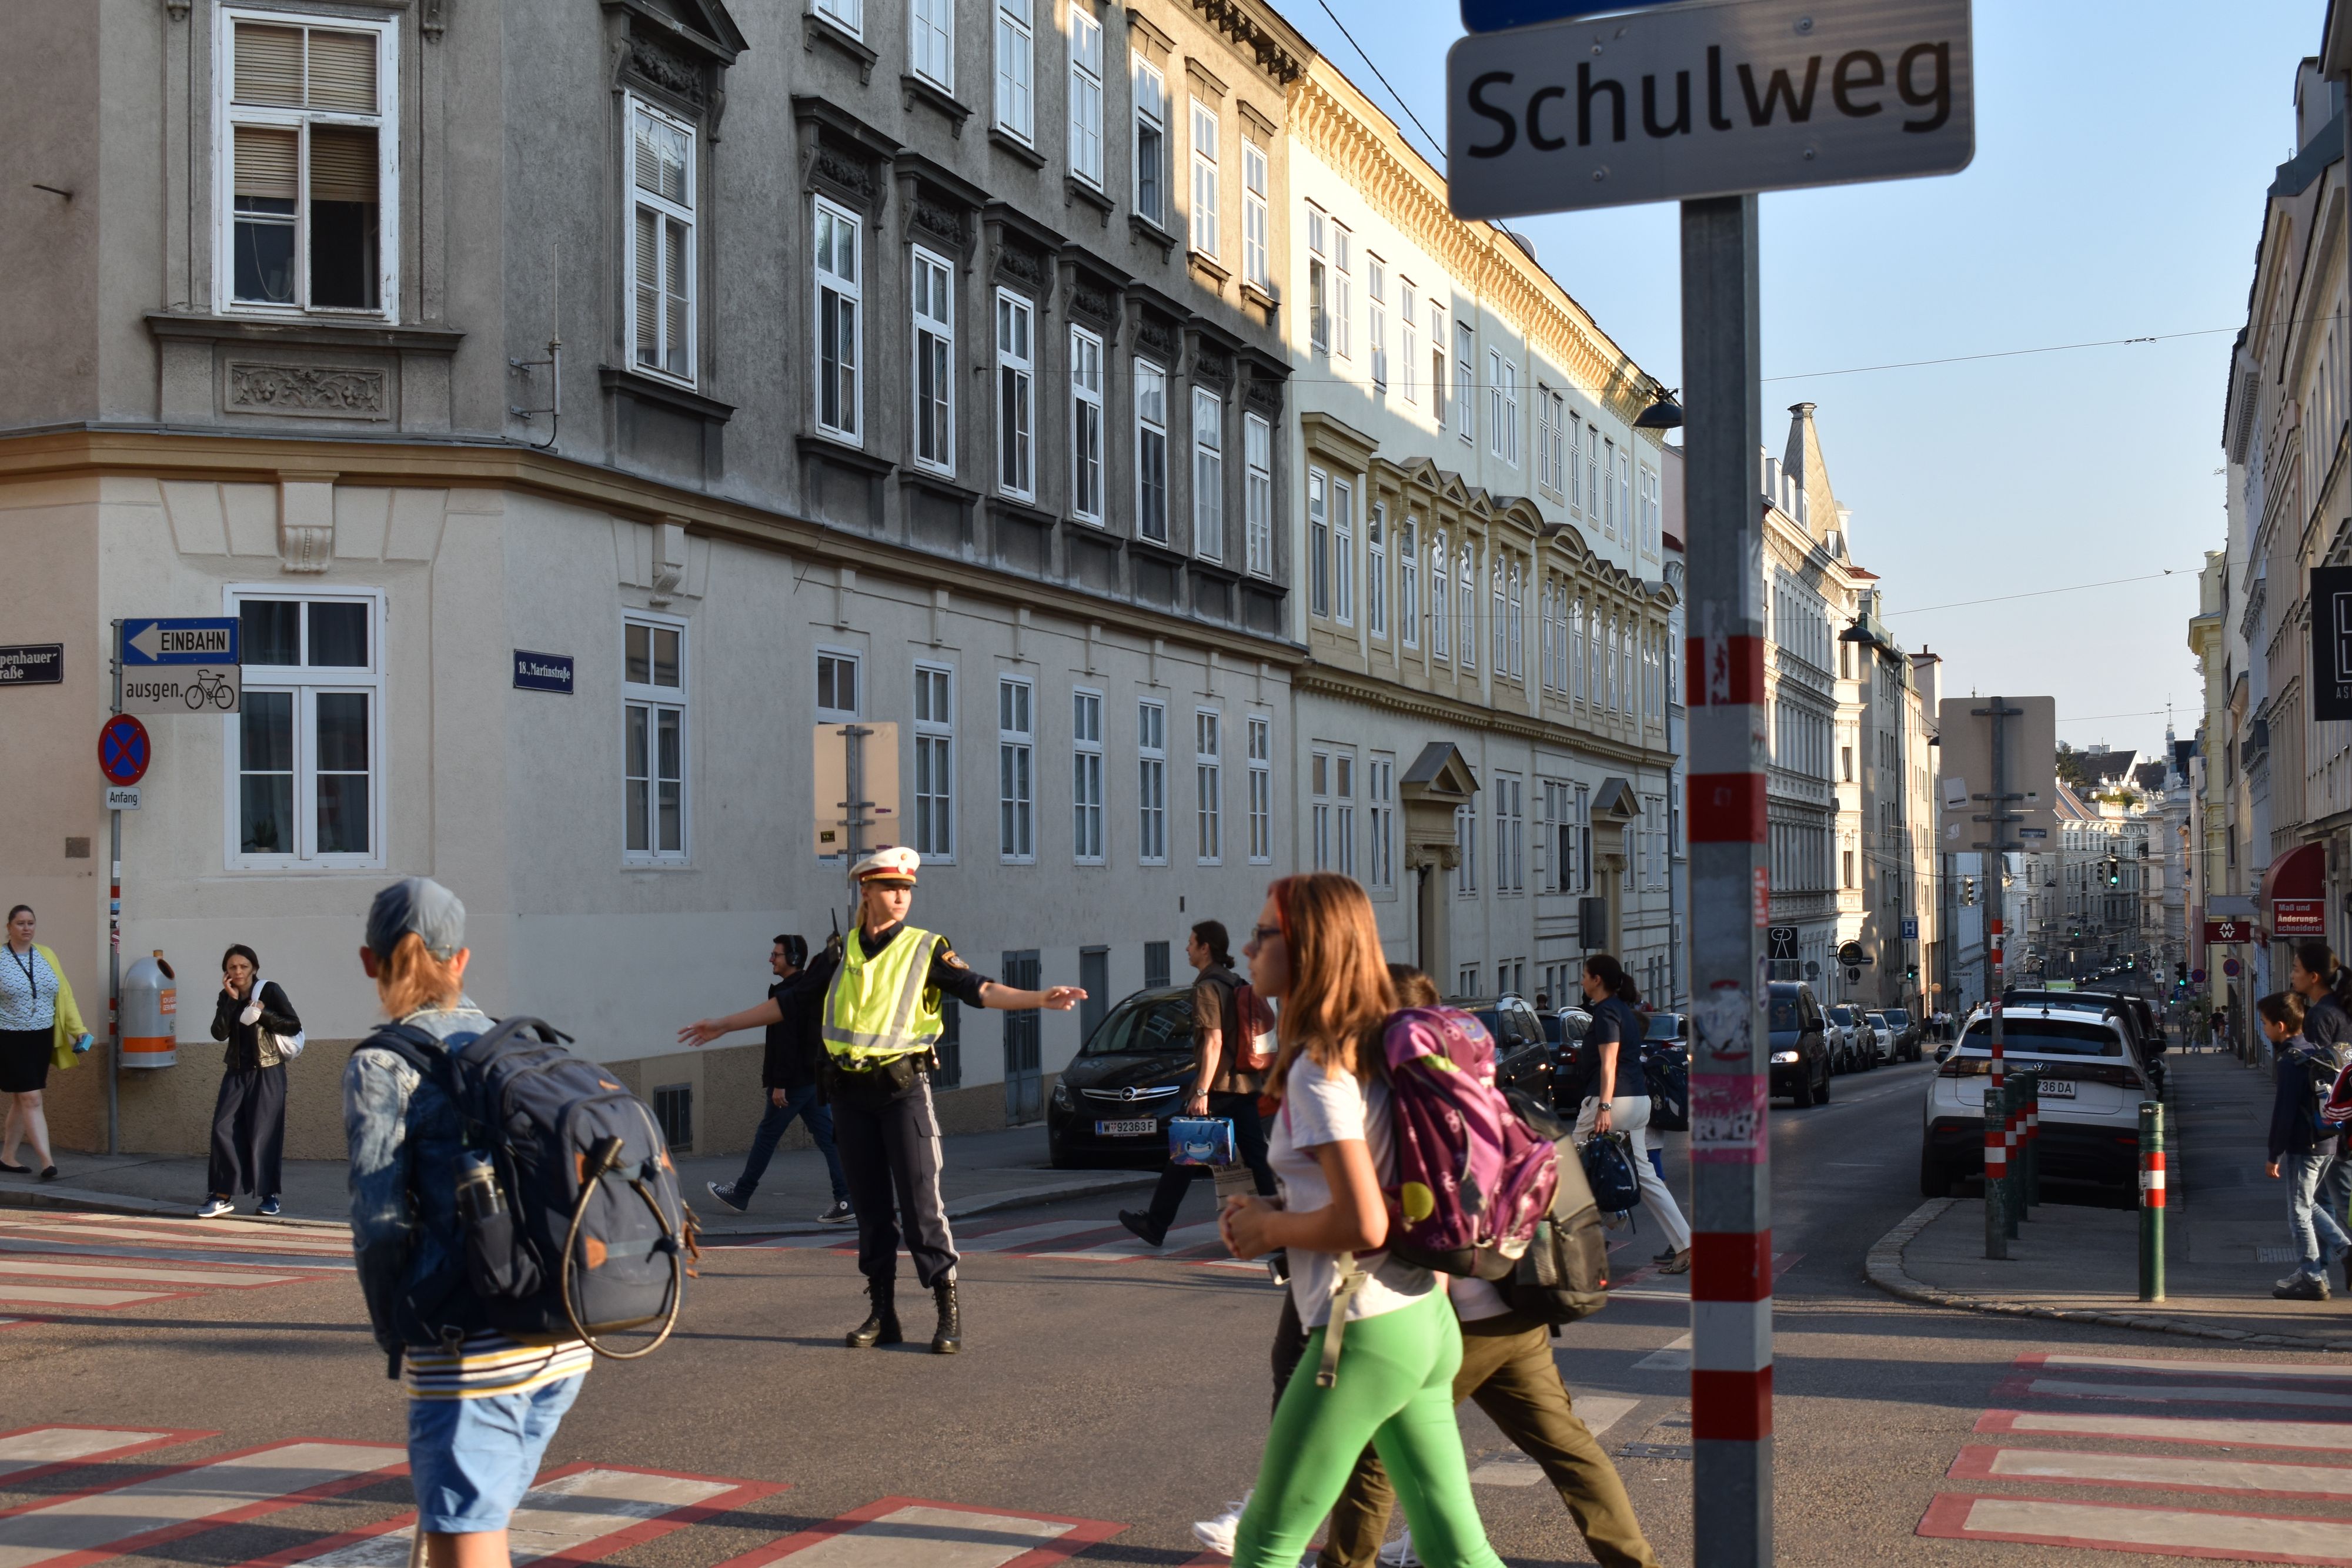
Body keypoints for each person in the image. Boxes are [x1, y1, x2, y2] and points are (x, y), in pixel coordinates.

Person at [1306, 969, 1661, 1568]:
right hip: (1519, 1305)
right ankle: (1637, 1564)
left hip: (1455, 1319)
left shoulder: (1406, 1105)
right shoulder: (1481, 1090)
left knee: (1374, 1454)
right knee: (1569, 1452)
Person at [1216, 872, 1506, 1568]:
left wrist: (1271, 1229)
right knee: (1454, 1549)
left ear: (1307, 949)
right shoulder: (1379, 1046)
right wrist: (1281, 1209)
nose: (1250, 948)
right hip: (1423, 1318)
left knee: (1264, 1543)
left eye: (1264, 935)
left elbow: (1365, 1221)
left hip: (1365, 1328)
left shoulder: (1322, 1068)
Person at [346, 877, 590, 1568]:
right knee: (482, 1521)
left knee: (467, 1539)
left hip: (467, 1341)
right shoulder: (515, 1045)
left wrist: (397, 1329)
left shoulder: (381, 1064)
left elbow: (380, 1218)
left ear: (370, 962)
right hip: (560, 1331)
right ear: (463, 960)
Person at [804, 846, 1085, 1355]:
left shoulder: (925, 948)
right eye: (892, 887)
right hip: (849, 1096)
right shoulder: (840, 951)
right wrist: (723, 1024)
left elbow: (978, 989)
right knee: (870, 1210)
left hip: (902, 1093)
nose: (901, 896)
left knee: (920, 1206)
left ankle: (946, 1307)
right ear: (866, 892)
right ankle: (883, 1313)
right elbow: (795, 1000)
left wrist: (1038, 997)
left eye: (907, 889)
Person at [1119, 920, 1275, 1246]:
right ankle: (1283, 1227)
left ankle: (1156, 1225)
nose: (1187, 948)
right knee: (1256, 1159)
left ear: (1206, 948)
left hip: (1218, 1088)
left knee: (1185, 1154)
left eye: (1192, 943)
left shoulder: (1207, 987)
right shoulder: (1232, 981)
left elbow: (1213, 1042)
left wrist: (1201, 1091)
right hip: (1244, 1085)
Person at [678, 935, 852, 1224]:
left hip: (794, 1082)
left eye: (777, 955)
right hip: (810, 1078)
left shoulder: (791, 994)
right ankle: (846, 1198)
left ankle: (741, 1194)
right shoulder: (807, 989)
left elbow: (787, 1042)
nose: (771, 959)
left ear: (794, 960)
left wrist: (780, 1084)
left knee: (767, 1137)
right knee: (828, 1138)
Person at [1572, 955, 1691, 1275]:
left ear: (1597, 980)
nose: (1581, 981)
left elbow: (1609, 1063)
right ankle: (1685, 1243)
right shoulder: (1622, 1010)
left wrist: (1604, 1106)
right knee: (1645, 1176)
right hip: (1637, 1101)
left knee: (1573, 1168)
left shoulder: (1607, 1011)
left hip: (1614, 1101)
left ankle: (1588, 1244)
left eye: (1584, 975)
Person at [200, 945, 298, 1218]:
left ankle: (269, 1196)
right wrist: (232, 1001)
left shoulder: (270, 991)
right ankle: (221, 1194)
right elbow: (219, 1033)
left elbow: (293, 1025)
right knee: (223, 1128)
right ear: (226, 972)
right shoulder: (226, 995)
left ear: (254, 968)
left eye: (243, 966)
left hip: (268, 1071)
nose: (238, 971)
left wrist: (264, 1014)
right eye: (232, 967)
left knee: (263, 1133)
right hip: (236, 1072)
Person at [2262, 990, 2347, 1302]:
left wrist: (2274, 1153)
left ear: (2281, 1026)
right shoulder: (2314, 1050)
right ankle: (2343, 1249)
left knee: (2298, 1210)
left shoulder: (2290, 1062)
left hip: (2304, 1145)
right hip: (2328, 1141)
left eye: (2265, 1023)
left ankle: (2312, 1276)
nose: (2264, 1029)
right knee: (2309, 1202)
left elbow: (2283, 1112)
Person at [0, 905, 84, 1181]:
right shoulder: (0, 958)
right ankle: (47, 1161)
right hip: (11, 1037)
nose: (27, 928)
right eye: (21, 923)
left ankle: (7, 1157)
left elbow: (65, 995)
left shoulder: (46, 954)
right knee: (32, 1098)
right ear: (9, 927)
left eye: (31, 923)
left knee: (22, 1098)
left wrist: (78, 1030)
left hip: (41, 1037)